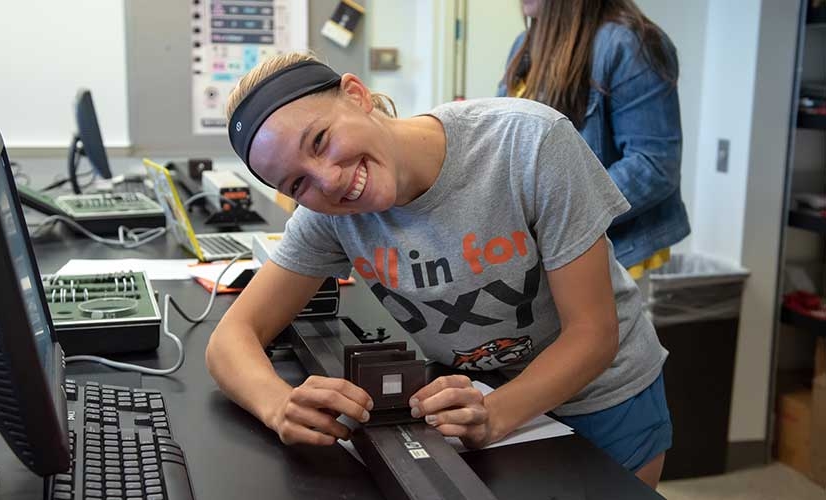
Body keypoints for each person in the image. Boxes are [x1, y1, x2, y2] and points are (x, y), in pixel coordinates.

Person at [205, 52, 671, 488]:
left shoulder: (527, 144)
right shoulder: (330, 217)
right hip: (481, 403)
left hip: (601, 401)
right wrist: (278, 404)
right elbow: (231, 339)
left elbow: (593, 334)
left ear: (355, 95)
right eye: (297, 182)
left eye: (321, 140)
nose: (329, 180)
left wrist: (497, 413)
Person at [499, 0, 690, 284]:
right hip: (546, 255)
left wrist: (555, 215)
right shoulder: (524, 45)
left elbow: (653, 166)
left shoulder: (630, 44)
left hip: (617, 256)